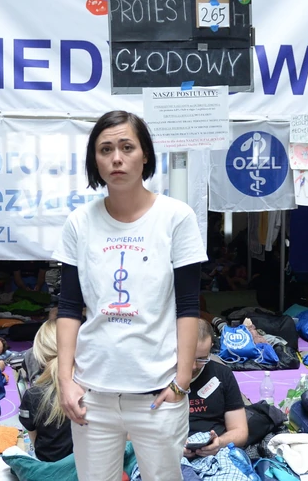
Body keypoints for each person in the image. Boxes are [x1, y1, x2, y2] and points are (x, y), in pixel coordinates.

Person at [54, 110, 207, 481]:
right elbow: (69, 308)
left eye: (127, 147)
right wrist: (65, 380)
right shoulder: (79, 222)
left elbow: (188, 307)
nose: (116, 158)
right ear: (95, 159)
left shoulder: (176, 217)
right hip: (92, 393)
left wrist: (181, 381)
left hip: (158, 392)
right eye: (105, 149)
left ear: (145, 155)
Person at [184, 319, 247, 459]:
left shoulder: (222, 374)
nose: (193, 366)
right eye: (187, 357)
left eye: (201, 359)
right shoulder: (158, 377)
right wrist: (170, 446)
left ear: (210, 348)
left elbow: (240, 430)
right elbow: (137, 432)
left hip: (216, 451)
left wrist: (219, 443)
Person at [18, 320, 73, 462]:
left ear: (39, 354)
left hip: (50, 467)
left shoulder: (32, 395)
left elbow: (34, 440)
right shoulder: (94, 388)